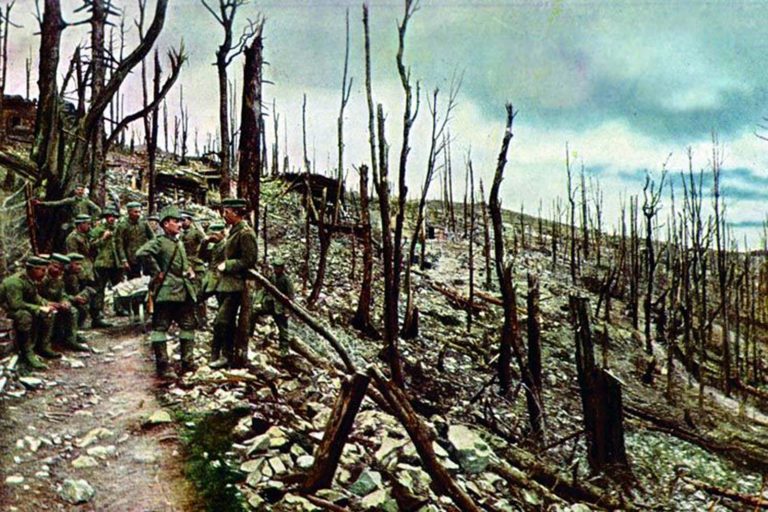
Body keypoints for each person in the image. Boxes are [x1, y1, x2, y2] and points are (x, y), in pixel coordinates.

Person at [136, 205, 198, 378]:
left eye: (180, 221)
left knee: (187, 326)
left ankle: (187, 362)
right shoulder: (159, 241)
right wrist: (156, 271)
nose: (179, 224)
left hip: (183, 291)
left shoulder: (178, 242)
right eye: (175, 221)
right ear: (165, 224)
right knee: (160, 327)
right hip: (167, 292)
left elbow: (183, 264)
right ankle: (163, 366)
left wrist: (188, 270)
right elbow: (142, 253)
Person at [209, 198, 257, 369]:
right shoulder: (234, 231)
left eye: (226, 212)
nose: (224, 215)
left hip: (236, 285)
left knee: (222, 321)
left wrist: (228, 265)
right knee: (226, 322)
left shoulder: (245, 233)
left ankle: (226, 356)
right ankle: (222, 355)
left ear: (236, 213)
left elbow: (249, 260)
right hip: (226, 284)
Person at [0, 256, 57, 373]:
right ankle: (26, 352)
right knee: (24, 316)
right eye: (42, 270)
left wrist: (46, 304)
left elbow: (35, 297)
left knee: (47, 313)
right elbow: (16, 304)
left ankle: (43, 346)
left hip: (14, 307)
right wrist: (38, 308)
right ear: (32, 269)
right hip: (5, 309)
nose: (44, 273)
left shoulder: (29, 279)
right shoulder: (15, 282)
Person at [39, 253, 89, 353]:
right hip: (41, 304)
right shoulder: (41, 277)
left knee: (72, 310)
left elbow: (62, 293)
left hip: (54, 304)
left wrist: (64, 301)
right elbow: (34, 296)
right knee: (49, 314)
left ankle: (71, 339)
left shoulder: (58, 278)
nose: (57, 270)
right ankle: (44, 345)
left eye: (60, 269)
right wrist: (48, 303)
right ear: (49, 264)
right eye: (55, 267)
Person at [253, 257, 295, 354]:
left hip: (279, 308)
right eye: (275, 267)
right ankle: (249, 335)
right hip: (269, 304)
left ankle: (284, 349)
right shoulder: (272, 277)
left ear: (282, 268)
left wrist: (287, 310)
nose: (276, 269)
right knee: (254, 312)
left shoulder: (286, 280)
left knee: (283, 328)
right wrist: (258, 301)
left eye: (278, 267)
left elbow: (290, 297)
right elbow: (264, 290)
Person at [198, 222, 227, 360]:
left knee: (223, 315)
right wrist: (204, 243)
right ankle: (200, 322)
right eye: (211, 234)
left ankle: (220, 348)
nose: (212, 237)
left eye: (215, 234)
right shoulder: (213, 245)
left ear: (222, 233)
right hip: (210, 279)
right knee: (196, 299)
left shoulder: (226, 245)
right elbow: (202, 257)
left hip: (222, 281)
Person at [66, 214, 100, 327]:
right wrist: (78, 271)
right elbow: (73, 257)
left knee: (93, 292)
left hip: (89, 267)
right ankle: (80, 321)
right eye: (87, 224)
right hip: (81, 270)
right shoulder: (72, 238)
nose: (89, 226)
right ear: (80, 224)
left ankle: (96, 318)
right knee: (81, 295)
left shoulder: (86, 236)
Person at [90, 207, 123, 323]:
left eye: (114, 217)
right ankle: (98, 312)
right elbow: (92, 245)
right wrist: (103, 238)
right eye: (109, 217)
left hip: (116, 263)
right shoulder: (98, 230)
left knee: (119, 287)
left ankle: (119, 308)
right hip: (102, 263)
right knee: (100, 288)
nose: (112, 219)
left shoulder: (118, 229)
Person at [32, 183, 101, 231]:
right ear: (75, 191)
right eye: (78, 190)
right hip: (74, 224)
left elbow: (98, 210)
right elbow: (57, 203)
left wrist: (91, 219)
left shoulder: (86, 201)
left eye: (81, 190)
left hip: (84, 223)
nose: (80, 191)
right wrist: (41, 203)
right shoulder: (71, 200)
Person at [115, 202, 155, 279]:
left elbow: (152, 238)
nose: (138, 214)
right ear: (129, 212)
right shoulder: (122, 226)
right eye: (135, 212)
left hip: (145, 257)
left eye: (139, 212)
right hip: (131, 259)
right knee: (134, 280)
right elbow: (119, 244)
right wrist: (124, 260)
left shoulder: (143, 223)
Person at [64, 252, 95, 331]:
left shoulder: (75, 275)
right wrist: (73, 298)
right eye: (77, 264)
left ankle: (77, 328)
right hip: (63, 301)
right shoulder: (62, 275)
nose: (80, 267)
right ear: (69, 264)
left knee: (89, 292)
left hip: (72, 298)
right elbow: (60, 294)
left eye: (80, 264)